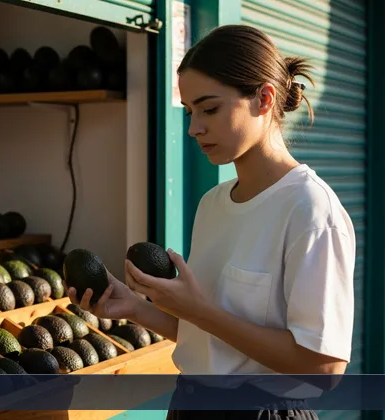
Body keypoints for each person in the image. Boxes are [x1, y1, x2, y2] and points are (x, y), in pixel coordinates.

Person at [69, 25, 355, 419]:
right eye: (189, 111)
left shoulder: (310, 210)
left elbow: (325, 368)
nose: (194, 128)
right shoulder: (213, 204)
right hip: (191, 405)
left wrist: (200, 311)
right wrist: (136, 308)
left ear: (263, 99)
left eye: (210, 108)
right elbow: (214, 342)